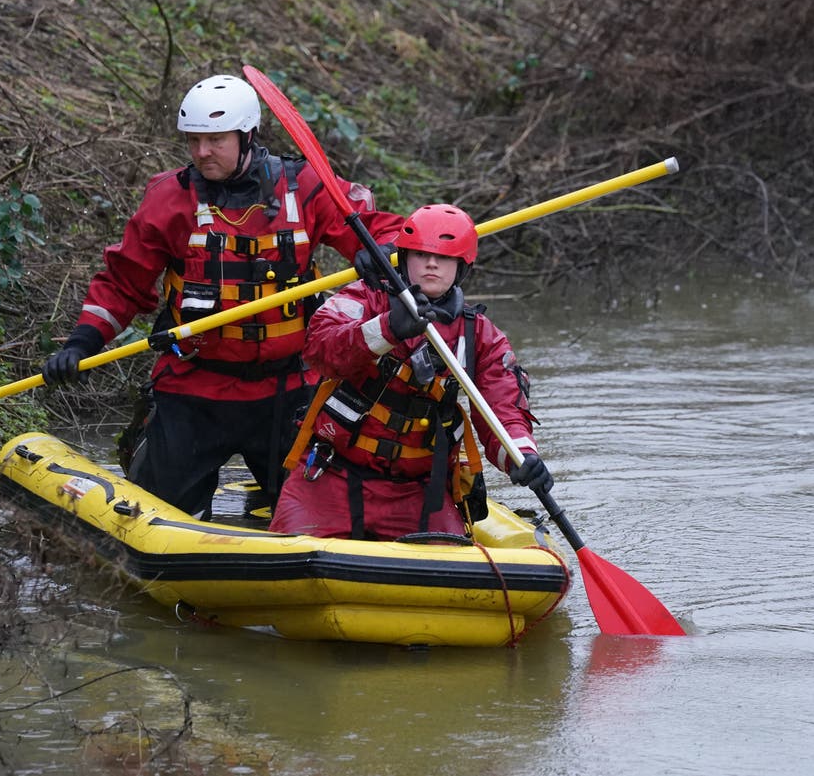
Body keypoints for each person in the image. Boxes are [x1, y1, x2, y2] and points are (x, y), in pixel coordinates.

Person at [42, 73, 402, 519]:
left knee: (324, 514)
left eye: (214, 140)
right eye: (193, 141)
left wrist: (382, 251)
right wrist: (82, 342)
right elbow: (123, 282)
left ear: (247, 135)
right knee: (162, 507)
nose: (201, 153)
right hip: (194, 387)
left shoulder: (305, 186)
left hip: (289, 389)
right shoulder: (169, 198)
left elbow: (383, 229)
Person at [269, 203, 555, 541]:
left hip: (418, 491)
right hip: (331, 475)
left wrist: (521, 457)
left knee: (452, 573)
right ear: (404, 259)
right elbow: (320, 349)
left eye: (444, 257)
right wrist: (387, 328)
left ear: (462, 267)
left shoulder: (480, 336)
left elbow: (502, 410)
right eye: (421, 255)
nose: (432, 263)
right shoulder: (365, 300)